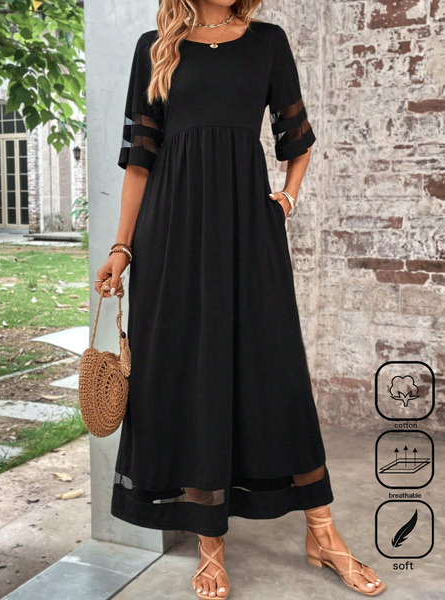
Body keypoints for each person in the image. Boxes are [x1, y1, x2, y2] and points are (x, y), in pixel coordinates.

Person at [95, 1, 386, 598]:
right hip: (172, 233)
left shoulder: (267, 41)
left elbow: (297, 138)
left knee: (276, 369)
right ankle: (211, 543)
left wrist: (287, 198)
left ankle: (322, 531)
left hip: (247, 229)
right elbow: (139, 162)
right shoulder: (155, 46)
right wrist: (122, 247)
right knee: (192, 371)